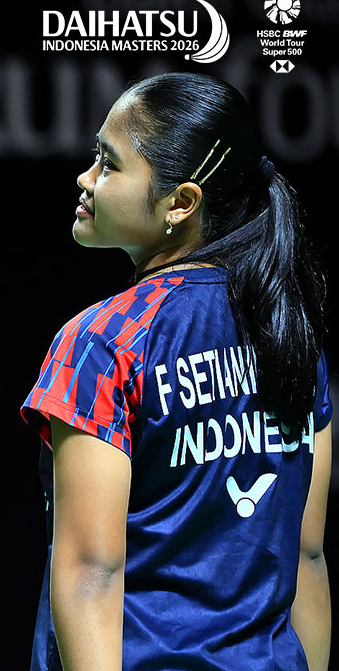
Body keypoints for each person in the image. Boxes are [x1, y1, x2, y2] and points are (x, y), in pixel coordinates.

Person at [20, 72, 331, 671]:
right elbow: (309, 558)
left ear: (181, 204)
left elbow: (91, 573)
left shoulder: (102, 342)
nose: (85, 178)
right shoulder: (292, 337)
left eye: (108, 164)